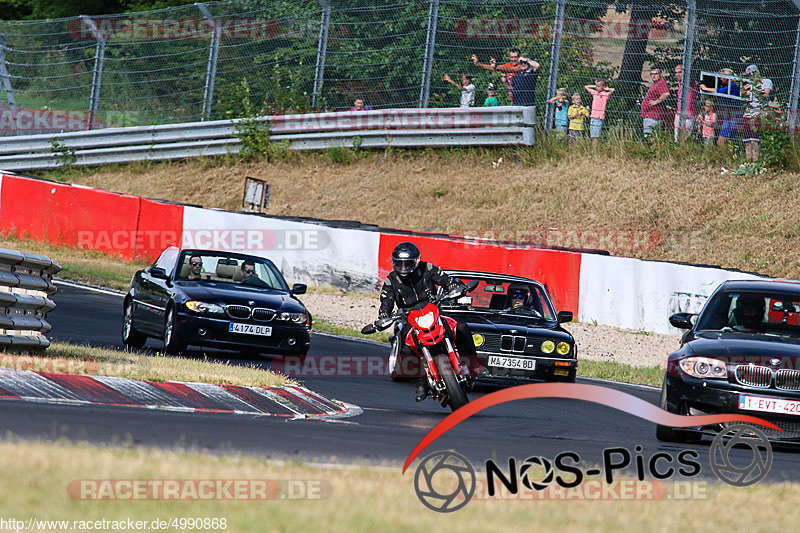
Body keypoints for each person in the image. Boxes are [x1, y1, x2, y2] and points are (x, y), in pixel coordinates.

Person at [378, 242, 479, 401]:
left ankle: (473, 365)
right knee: (406, 349)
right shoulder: (391, 280)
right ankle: (421, 383)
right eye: (400, 264)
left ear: (416, 261)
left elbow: (444, 279)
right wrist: (384, 315)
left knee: (461, 328)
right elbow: (386, 300)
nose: (404, 268)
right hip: (410, 318)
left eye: (408, 263)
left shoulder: (428, 268)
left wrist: (455, 287)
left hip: (433, 311)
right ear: (394, 263)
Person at [741, 64, 773, 161]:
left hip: (758, 114)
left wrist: (753, 88)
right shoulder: (750, 83)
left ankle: (755, 162)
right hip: (748, 114)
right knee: (747, 141)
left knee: (754, 141)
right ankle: (748, 163)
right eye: (749, 75)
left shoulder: (766, 82)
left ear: (757, 72)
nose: (752, 76)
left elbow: (765, 94)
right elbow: (742, 95)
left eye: (753, 74)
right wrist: (745, 92)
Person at [700, 68, 739, 146]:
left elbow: (719, 91)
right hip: (728, 116)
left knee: (721, 142)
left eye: (721, 77)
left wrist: (705, 88)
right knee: (725, 142)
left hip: (732, 117)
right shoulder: (729, 86)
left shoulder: (733, 85)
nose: (720, 79)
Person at [584, 79, 615, 146]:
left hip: (598, 117)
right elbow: (586, 87)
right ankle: (593, 147)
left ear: (603, 87)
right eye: (596, 86)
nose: (597, 87)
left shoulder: (605, 94)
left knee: (595, 136)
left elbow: (612, 90)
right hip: (593, 116)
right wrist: (595, 86)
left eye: (599, 86)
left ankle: (595, 149)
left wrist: (606, 89)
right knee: (592, 135)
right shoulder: (595, 93)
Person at [641, 68, 670, 138]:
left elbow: (666, 94)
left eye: (655, 74)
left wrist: (656, 102)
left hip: (653, 116)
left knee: (649, 137)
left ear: (660, 74)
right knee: (650, 136)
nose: (653, 76)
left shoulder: (661, 82)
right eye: (652, 74)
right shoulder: (656, 84)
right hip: (649, 115)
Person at [673, 64, 697, 142]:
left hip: (688, 114)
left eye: (679, 72)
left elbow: (690, 100)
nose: (677, 75)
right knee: (677, 137)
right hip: (679, 112)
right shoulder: (680, 83)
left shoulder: (690, 83)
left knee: (684, 137)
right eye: (676, 73)